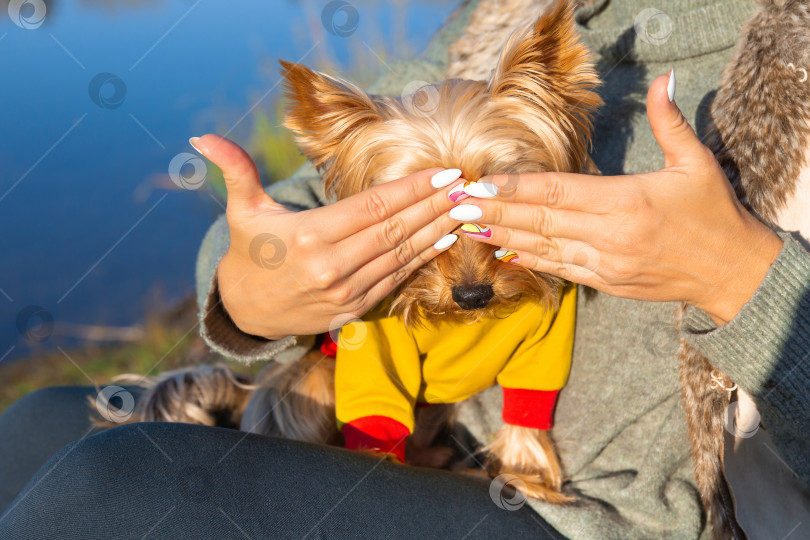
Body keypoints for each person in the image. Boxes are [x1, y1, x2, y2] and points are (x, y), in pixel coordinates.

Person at [1, 0, 808, 538]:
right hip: (431, 433)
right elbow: (297, 198)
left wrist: (737, 275)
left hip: (597, 511)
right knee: (37, 424)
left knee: (114, 485)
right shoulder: (520, 11)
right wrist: (254, 290)